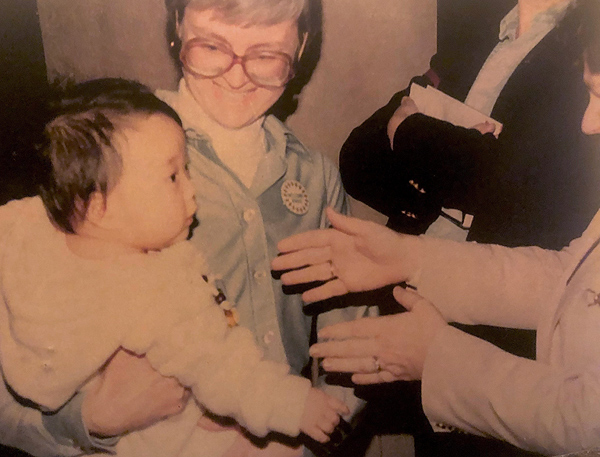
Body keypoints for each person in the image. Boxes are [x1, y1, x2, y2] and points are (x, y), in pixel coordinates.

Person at [270, 1, 600, 453]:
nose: (588, 122)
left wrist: (408, 130)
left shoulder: (578, 39)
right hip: (438, 310)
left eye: (599, 97)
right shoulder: (476, 33)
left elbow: (586, 420)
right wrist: (411, 257)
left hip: (502, 354)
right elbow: (360, 157)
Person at [0, 78, 349, 456]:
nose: (190, 187)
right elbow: (224, 365)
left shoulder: (28, 235)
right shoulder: (157, 287)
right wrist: (295, 405)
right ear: (99, 207)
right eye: (173, 176)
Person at [156, 0, 364, 455]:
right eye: (212, 46)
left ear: (302, 45)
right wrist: (91, 418)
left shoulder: (315, 177)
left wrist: (323, 423)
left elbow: (349, 339)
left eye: (267, 55)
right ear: (176, 26)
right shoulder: (117, 153)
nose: (237, 77)